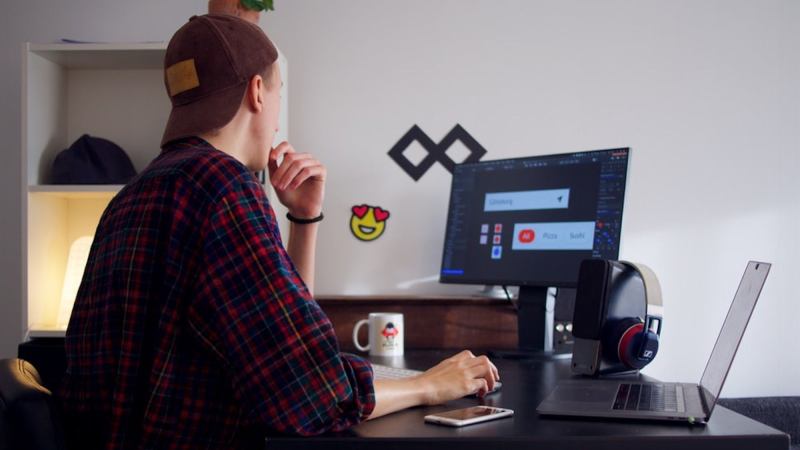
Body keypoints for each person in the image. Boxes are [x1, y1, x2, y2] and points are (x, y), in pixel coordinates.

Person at [58, 14, 499, 450]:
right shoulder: (222, 187)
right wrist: (429, 385)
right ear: (257, 92)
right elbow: (312, 394)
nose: (275, 120)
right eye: (278, 93)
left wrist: (304, 219)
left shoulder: (134, 192)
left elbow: (288, 341)